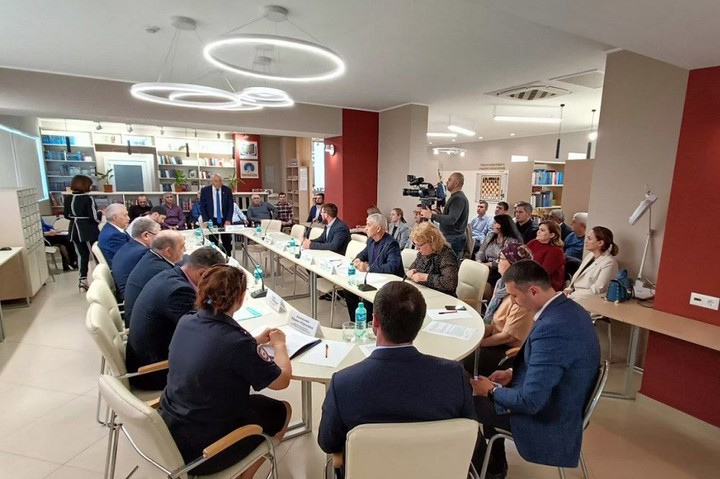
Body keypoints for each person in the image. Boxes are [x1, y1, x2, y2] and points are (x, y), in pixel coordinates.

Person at [470, 260, 601, 477]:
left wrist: (491, 391)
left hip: (549, 415)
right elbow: (552, 365)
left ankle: (488, 469)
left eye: (514, 296)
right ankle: (494, 464)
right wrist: (511, 374)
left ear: (533, 291)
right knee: (481, 398)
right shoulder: (568, 309)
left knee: (466, 404)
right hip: (559, 396)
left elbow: (530, 402)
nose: (513, 301)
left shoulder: (552, 329)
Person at [318, 281, 475, 460]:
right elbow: (471, 436)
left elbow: (327, 443)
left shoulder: (343, 384)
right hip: (436, 468)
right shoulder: (454, 376)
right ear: (420, 323)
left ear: (375, 321)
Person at [160, 265, 292, 477]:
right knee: (282, 410)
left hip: (171, 432)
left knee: (259, 404)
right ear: (239, 298)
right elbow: (281, 381)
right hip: (204, 452)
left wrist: (253, 342)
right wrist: (279, 345)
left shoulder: (187, 321)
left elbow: (215, 348)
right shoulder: (237, 342)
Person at [125, 246, 225, 390]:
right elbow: (204, 332)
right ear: (202, 273)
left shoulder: (171, 275)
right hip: (154, 372)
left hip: (148, 354)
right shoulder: (179, 292)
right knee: (226, 358)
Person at [465, 244, 535, 377]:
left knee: (466, 359)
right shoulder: (501, 283)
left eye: (501, 258)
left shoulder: (521, 296)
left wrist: (479, 343)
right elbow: (495, 323)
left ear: (513, 265)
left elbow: (508, 336)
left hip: (507, 348)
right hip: (494, 334)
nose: (497, 261)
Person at [345, 213, 404, 321]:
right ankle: (355, 321)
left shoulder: (391, 244)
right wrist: (358, 259)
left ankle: (368, 323)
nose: (365, 228)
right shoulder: (371, 240)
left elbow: (392, 267)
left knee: (367, 298)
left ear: (378, 228)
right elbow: (363, 254)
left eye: (368, 225)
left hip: (390, 283)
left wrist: (368, 268)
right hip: (373, 279)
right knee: (348, 291)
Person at [123, 230, 187, 326]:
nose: (185, 250)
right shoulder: (162, 271)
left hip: (140, 317)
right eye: (182, 246)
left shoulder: (151, 257)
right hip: (146, 325)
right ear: (168, 251)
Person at [419, 172, 470, 260]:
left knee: (450, 264)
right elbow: (450, 216)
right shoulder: (456, 197)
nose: (447, 182)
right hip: (452, 237)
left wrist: (431, 216)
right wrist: (437, 215)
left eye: (449, 180)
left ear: (456, 183)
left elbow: (451, 220)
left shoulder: (458, 198)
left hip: (454, 239)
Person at [64, 174, 101, 291]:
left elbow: (66, 215)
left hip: (74, 230)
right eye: (90, 185)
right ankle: (101, 279)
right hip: (88, 230)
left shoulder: (68, 198)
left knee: (81, 255)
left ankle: (82, 281)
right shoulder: (88, 199)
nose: (91, 187)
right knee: (96, 254)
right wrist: (101, 213)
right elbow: (94, 217)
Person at [565, 226, 619, 300]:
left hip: (586, 300)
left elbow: (597, 290)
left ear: (600, 243)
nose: (586, 241)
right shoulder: (590, 256)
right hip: (574, 296)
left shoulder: (609, 263)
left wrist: (571, 295)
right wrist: (568, 289)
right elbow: (577, 279)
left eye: (589, 239)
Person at [111, 217, 160, 298]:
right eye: (158, 235)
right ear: (146, 235)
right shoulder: (143, 252)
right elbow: (160, 274)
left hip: (127, 292)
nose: (160, 239)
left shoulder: (128, 246)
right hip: (135, 297)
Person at [406, 222, 458, 295]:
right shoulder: (422, 253)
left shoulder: (447, 255)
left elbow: (450, 283)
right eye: (415, 244)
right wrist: (411, 272)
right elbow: (413, 267)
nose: (417, 248)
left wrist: (425, 277)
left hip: (442, 297)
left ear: (431, 242)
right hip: (425, 293)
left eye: (419, 245)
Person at [476, 214, 522, 290]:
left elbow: (507, 260)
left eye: (495, 223)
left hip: (499, 269)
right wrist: (479, 261)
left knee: (483, 284)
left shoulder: (511, 241)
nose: (492, 225)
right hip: (485, 264)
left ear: (502, 225)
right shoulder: (491, 236)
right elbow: (481, 251)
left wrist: (488, 264)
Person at [527, 221, 566, 291]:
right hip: (528, 279)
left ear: (552, 235)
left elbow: (543, 273)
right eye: (538, 229)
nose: (538, 232)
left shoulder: (556, 251)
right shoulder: (533, 242)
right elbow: (520, 258)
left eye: (542, 230)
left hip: (546, 285)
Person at [200, 174, 234, 254]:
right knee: (213, 242)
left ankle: (227, 258)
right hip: (211, 220)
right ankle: (215, 259)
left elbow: (230, 206)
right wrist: (206, 220)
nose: (218, 183)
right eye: (216, 181)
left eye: (220, 181)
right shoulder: (205, 191)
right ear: (212, 182)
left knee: (227, 242)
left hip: (224, 219)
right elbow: (203, 207)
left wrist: (228, 219)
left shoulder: (227, 190)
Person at [97, 203, 130, 267]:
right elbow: (128, 256)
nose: (128, 218)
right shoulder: (114, 235)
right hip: (124, 268)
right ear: (115, 217)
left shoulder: (111, 228)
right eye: (125, 215)